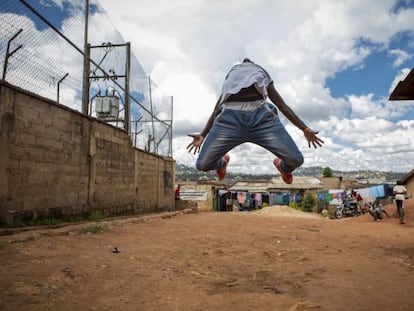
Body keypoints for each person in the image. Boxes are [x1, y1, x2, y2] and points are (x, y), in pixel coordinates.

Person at [186, 58, 324, 183]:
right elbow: (216, 112)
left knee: (296, 160)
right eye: (242, 65)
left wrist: (304, 129)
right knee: (202, 165)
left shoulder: (262, 74)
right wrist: (203, 135)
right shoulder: (230, 85)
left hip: (262, 120)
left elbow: (282, 106)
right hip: (229, 122)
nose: (245, 65)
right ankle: (222, 163)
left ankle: (283, 168)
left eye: (249, 64)